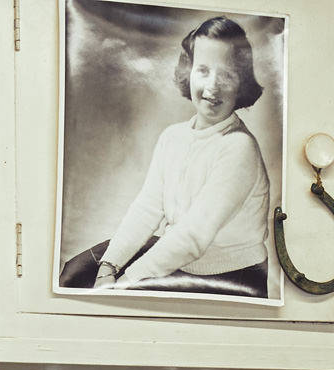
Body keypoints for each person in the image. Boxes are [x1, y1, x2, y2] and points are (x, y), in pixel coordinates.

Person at [61, 17, 272, 297]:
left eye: (227, 75)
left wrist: (124, 281)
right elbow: (147, 208)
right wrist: (109, 266)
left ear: (242, 83)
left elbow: (193, 236)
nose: (213, 86)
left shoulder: (239, 147)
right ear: (189, 72)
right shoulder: (173, 137)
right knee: (75, 273)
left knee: (120, 299)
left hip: (230, 275)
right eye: (203, 70)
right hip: (180, 257)